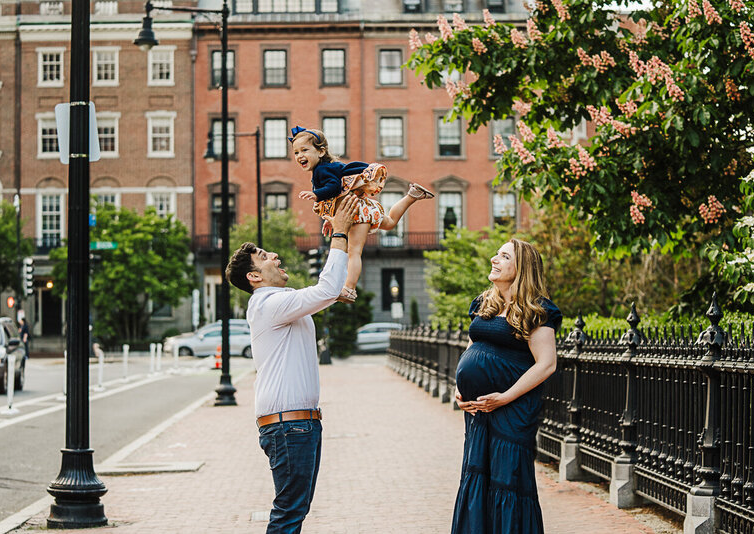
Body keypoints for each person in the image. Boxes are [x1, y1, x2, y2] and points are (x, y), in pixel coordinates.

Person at [225, 195, 359, 534]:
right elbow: (324, 288)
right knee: (288, 513)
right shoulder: (269, 304)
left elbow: (322, 293)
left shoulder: (278, 303)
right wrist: (339, 232)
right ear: (254, 277)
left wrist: (331, 293)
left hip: (297, 424)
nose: (275, 256)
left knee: (293, 510)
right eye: (264, 257)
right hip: (290, 426)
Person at [451, 238, 562, 534]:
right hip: (479, 410)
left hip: (512, 410)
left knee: (507, 481)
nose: (493, 259)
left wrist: (504, 398)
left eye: (503, 256)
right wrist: (458, 390)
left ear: (521, 267)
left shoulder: (538, 310)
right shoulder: (484, 303)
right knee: (478, 475)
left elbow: (546, 363)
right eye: (496, 254)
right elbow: (471, 348)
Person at [289, 126, 434, 303]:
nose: (299, 156)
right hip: (361, 208)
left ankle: (349, 288)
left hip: (355, 213)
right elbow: (335, 198)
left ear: (321, 152)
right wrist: (332, 220)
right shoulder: (326, 168)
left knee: (354, 252)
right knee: (388, 222)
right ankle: (412, 195)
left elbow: (333, 187)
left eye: (304, 150)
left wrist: (317, 194)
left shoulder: (322, 170)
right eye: (296, 152)